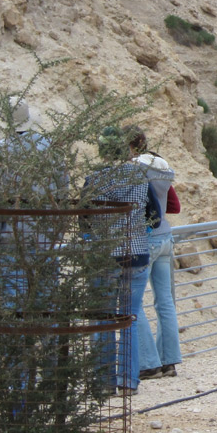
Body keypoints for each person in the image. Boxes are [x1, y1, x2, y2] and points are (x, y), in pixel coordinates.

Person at [87, 128, 152, 395]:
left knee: (103, 319)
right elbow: (153, 214)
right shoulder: (140, 176)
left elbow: (85, 219)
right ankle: (128, 382)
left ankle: (104, 382)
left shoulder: (94, 178)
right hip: (136, 252)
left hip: (105, 254)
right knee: (129, 318)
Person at [125, 127, 184, 380]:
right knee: (165, 300)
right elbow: (174, 205)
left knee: (133, 302)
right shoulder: (162, 165)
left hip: (144, 238)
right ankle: (169, 361)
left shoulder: (134, 168)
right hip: (165, 237)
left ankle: (149, 363)